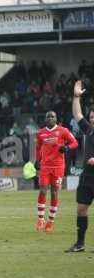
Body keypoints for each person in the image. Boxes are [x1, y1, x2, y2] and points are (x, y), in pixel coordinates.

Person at [35, 111, 78, 233]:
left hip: (58, 167)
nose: (50, 118)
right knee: (43, 190)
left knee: (54, 193)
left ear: (56, 119)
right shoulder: (40, 133)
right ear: (45, 119)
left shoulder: (63, 130)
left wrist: (67, 148)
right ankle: (40, 219)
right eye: (48, 116)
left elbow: (75, 142)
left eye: (52, 116)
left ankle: (50, 222)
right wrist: (37, 160)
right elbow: (38, 148)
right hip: (45, 166)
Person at [65, 80, 94, 252]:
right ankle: (80, 244)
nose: (92, 118)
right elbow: (77, 114)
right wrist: (76, 97)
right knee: (81, 208)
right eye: (91, 116)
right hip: (87, 176)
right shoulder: (89, 130)